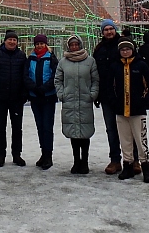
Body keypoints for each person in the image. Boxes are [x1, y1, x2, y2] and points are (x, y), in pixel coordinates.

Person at [109, 39, 149, 183]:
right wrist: (114, 101)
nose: (125, 52)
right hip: (121, 110)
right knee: (125, 140)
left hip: (137, 110)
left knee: (141, 140)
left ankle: (146, 166)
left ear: (132, 50)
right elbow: (110, 86)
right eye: (123, 50)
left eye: (128, 49)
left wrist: (144, 101)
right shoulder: (115, 66)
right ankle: (127, 165)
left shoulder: (141, 65)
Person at [0, 29, 28, 167]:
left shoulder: (21, 56)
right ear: (5, 41)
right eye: (10, 39)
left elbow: (25, 76)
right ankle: (1, 154)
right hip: (0, 98)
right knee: (1, 127)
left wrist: (24, 93)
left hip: (16, 98)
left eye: (14, 40)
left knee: (17, 128)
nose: (12, 42)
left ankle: (16, 155)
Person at [54, 34, 99, 174]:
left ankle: (84, 162)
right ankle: (76, 161)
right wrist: (62, 94)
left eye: (76, 44)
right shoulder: (63, 62)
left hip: (85, 101)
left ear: (80, 45)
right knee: (73, 133)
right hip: (70, 101)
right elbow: (58, 80)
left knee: (84, 134)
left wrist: (92, 94)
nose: (74, 47)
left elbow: (95, 80)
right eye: (72, 45)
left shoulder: (90, 61)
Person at [93, 19, 124, 175]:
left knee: (128, 129)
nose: (109, 32)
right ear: (102, 32)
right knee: (111, 129)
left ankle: (133, 159)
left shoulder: (123, 45)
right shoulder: (99, 49)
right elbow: (95, 73)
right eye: (106, 29)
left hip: (124, 94)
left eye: (111, 29)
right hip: (106, 95)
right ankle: (115, 160)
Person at [25, 34, 58, 170]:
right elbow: (25, 75)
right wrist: (33, 88)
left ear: (45, 45)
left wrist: (44, 88)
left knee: (47, 127)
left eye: (41, 43)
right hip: (35, 97)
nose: (39, 46)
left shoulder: (51, 58)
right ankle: (43, 153)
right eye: (37, 43)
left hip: (48, 97)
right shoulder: (30, 58)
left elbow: (55, 75)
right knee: (40, 126)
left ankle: (48, 155)